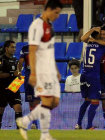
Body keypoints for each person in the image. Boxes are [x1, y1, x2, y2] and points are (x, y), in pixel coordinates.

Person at [16, 0, 63, 140]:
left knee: (54, 102)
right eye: (56, 12)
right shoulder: (37, 26)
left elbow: (49, 51)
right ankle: (44, 135)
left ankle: (24, 121)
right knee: (47, 101)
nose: (58, 16)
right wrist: (34, 73)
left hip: (50, 69)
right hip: (41, 70)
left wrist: (55, 69)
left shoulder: (49, 25)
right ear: (48, 9)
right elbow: (32, 50)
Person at [75, 27, 105, 130]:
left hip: (88, 74)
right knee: (96, 102)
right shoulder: (103, 47)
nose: (102, 36)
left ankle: (79, 124)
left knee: (89, 101)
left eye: (104, 34)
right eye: (101, 34)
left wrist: (93, 34)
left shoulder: (91, 43)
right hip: (96, 77)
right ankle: (94, 126)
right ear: (98, 34)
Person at [0, 40, 22, 129]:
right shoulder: (1, 59)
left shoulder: (15, 60)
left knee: (18, 108)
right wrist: (12, 74)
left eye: (15, 47)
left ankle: (20, 131)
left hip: (14, 88)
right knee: (1, 110)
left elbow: (17, 74)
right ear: (6, 48)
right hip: (2, 88)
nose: (14, 49)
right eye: (12, 47)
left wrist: (19, 76)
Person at [18, 45, 40, 129]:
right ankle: (35, 123)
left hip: (31, 78)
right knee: (35, 101)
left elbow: (20, 61)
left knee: (32, 101)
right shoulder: (40, 48)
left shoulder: (25, 48)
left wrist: (19, 72)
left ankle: (34, 123)